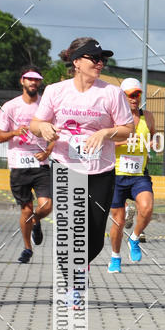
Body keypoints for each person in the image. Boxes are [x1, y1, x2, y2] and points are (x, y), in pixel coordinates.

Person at [29, 38, 134, 282]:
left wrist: (106, 132)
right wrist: (43, 127)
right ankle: (71, 277)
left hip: (101, 170)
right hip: (66, 166)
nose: (100, 63)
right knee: (70, 227)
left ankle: (82, 262)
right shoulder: (56, 91)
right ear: (77, 61)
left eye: (102, 59)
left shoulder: (111, 93)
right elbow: (35, 124)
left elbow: (127, 128)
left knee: (95, 234)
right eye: (94, 58)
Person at [0, 66, 54, 264]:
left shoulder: (45, 107)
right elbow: (0, 136)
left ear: (40, 83)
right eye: (29, 79)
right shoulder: (10, 107)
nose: (33, 83)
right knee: (26, 210)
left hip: (41, 164)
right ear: (22, 81)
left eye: (36, 80)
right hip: (18, 165)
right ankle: (27, 248)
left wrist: (47, 151)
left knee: (46, 206)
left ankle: (35, 221)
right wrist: (15, 132)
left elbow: (55, 134)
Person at [108, 78, 156, 272]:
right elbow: (104, 143)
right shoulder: (113, 118)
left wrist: (154, 143)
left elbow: (155, 135)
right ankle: (115, 257)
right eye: (130, 95)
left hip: (139, 173)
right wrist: (123, 142)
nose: (134, 99)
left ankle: (135, 238)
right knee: (118, 220)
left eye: (137, 94)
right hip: (116, 174)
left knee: (147, 208)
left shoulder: (148, 116)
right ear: (122, 96)